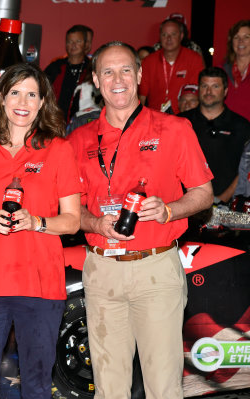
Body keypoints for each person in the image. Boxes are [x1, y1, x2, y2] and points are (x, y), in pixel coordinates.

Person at [67, 41, 213, 399]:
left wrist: (169, 210)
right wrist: (95, 223)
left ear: (140, 75)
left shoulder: (175, 128)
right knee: (109, 388)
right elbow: (71, 212)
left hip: (156, 269)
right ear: (97, 82)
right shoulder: (78, 139)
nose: (118, 79)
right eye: (108, 72)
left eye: (126, 70)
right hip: (102, 272)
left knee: (163, 388)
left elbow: (203, 194)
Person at [0, 62, 81, 399]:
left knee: (36, 385)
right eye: (16, 92)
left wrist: (38, 222)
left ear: (42, 102)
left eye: (32, 94)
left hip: (40, 286)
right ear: (2, 99)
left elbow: (73, 221)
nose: (23, 102)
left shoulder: (59, 150)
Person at [179, 67, 250, 205]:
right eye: (204, 86)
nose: (209, 92)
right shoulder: (181, 122)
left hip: (228, 204)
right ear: (199, 89)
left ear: (225, 91)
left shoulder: (241, 126)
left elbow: (247, 167)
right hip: (185, 204)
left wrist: (223, 199)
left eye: (215, 86)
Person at [139, 18, 204, 114]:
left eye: (173, 34)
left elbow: (196, 93)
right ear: (160, 37)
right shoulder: (148, 61)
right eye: (164, 35)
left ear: (181, 36)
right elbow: (141, 96)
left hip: (185, 117)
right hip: (155, 118)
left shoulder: (194, 59)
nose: (168, 38)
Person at [44, 25, 92, 122]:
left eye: (78, 41)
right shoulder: (55, 67)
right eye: (70, 42)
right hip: (54, 123)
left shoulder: (92, 69)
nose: (73, 45)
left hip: (83, 124)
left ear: (86, 45)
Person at [221, 20, 250, 122]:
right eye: (236, 37)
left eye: (246, 37)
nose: (241, 41)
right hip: (226, 131)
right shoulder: (221, 70)